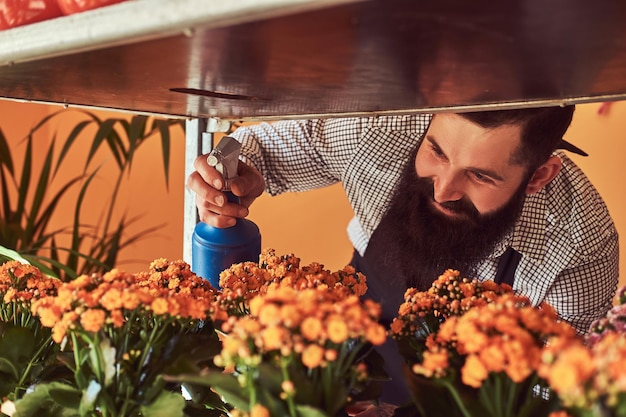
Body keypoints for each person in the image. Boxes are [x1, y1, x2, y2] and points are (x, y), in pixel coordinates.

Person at [186, 106, 619, 405]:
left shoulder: (578, 241)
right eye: (437, 151)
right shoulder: (382, 131)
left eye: (479, 175)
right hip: (352, 337)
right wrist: (229, 177)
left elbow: (555, 391)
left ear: (538, 176)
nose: (443, 189)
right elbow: (258, 149)